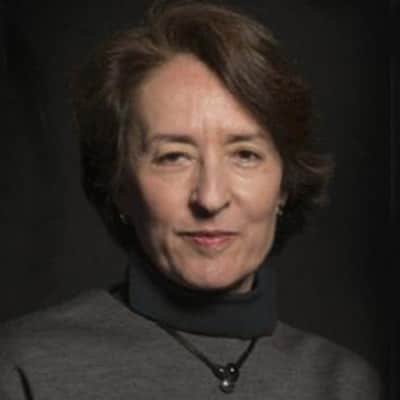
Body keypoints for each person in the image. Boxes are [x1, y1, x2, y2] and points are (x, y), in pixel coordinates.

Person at [0, 1, 381, 398]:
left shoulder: (346, 384)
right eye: (173, 157)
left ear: (284, 185)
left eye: (245, 154)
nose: (210, 198)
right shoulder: (24, 367)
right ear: (120, 187)